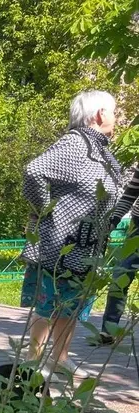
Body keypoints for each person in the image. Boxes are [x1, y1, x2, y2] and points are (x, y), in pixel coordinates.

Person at [20, 90, 122, 373]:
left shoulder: (99, 149)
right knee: (49, 304)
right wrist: (47, 210)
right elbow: (34, 172)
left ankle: (60, 358)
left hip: (85, 249)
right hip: (60, 244)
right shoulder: (75, 144)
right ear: (101, 114)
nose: (116, 118)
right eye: (114, 112)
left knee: (72, 305)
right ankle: (33, 360)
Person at [92, 167, 138, 346]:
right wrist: (113, 220)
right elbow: (129, 196)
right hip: (138, 229)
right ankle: (108, 330)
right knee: (121, 274)